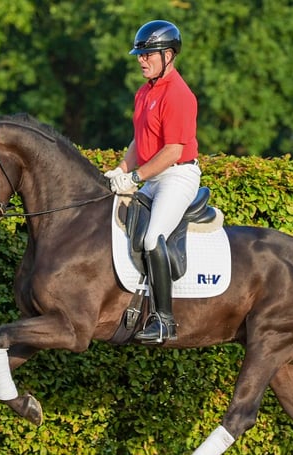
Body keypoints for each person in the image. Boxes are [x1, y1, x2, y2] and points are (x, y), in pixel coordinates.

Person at [105, 19, 200, 344]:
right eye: (140, 55)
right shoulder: (144, 93)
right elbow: (139, 140)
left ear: (169, 55)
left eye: (148, 54)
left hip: (176, 176)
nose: (141, 60)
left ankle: (164, 321)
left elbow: (172, 151)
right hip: (152, 175)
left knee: (151, 238)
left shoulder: (179, 95)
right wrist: (120, 170)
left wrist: (134, 177)